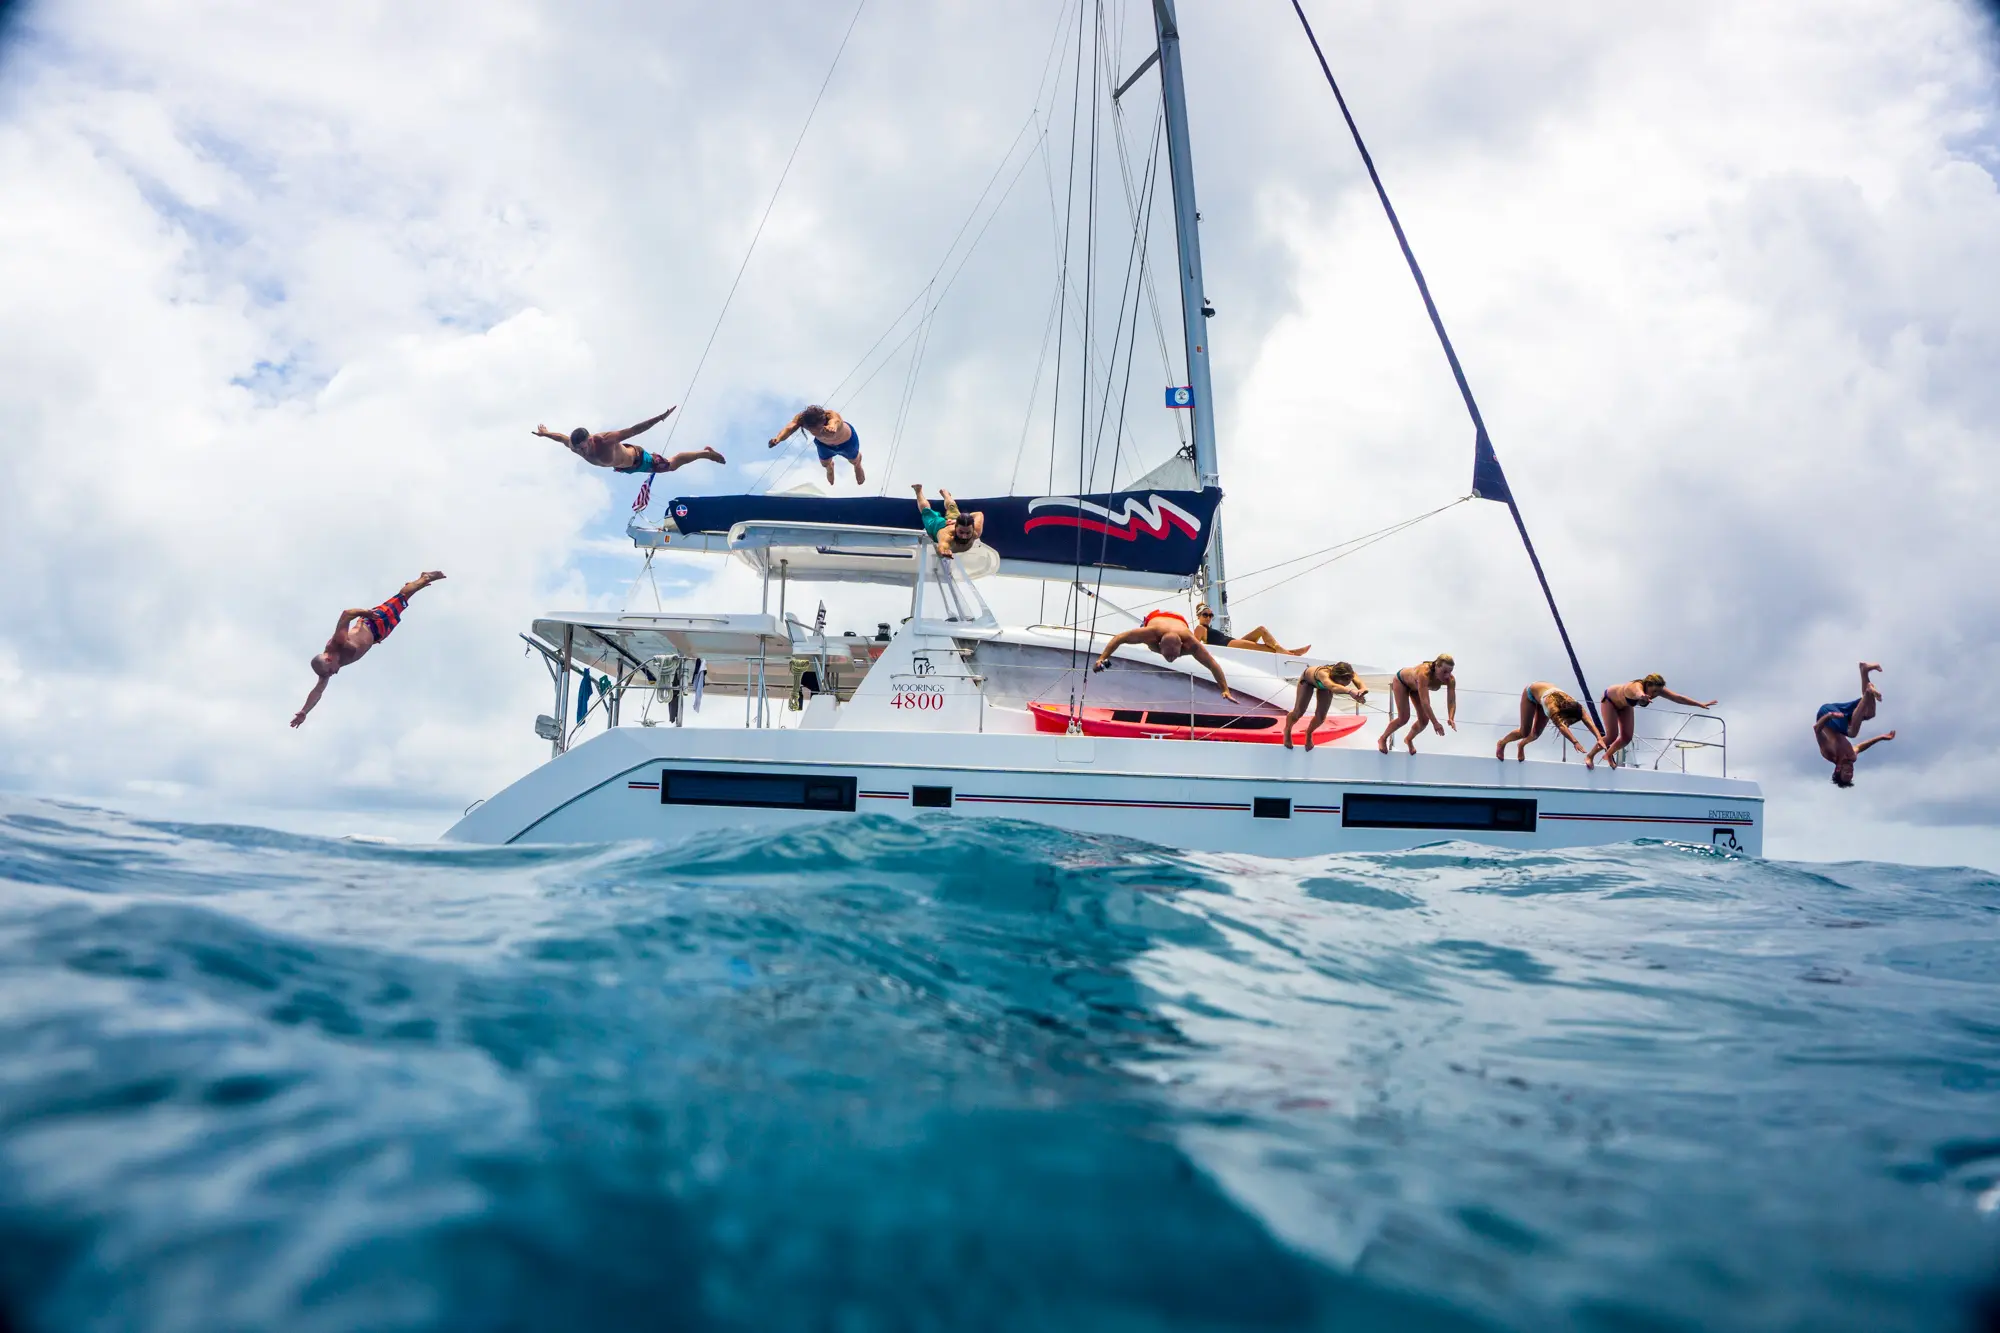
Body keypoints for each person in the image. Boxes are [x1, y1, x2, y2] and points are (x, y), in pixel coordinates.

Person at [292, 572, 446, 728]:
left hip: (373, 622)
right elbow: (318, 691)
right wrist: (304, 711)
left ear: (328, 659)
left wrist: (366, 613)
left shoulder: (337, 643)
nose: (334, 673)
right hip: (378, 635)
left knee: (402, 598)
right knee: (402, 604)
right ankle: (414, 586)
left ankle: (424, 578)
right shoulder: (327, 669)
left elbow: (346, 614)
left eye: (331, 671)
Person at [1091, 609, 1235, 701]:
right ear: (1160, 645)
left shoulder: (1191, 643)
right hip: (1156, 617)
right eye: (1167, 656)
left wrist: (1225, 689)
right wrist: (1102, 657)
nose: (1171, 659)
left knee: (1198, 655)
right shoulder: (1150, 634)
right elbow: (1120, 638)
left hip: (1180, 620)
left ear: (1182, 646)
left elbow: (1212, 664)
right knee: (1149, 644)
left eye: (1174, 656)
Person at [1584, 673, 1717, 769]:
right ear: (1647, 684)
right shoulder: (1635, 686)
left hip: (1625, 706)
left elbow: (1678, 698)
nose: (1655, 695)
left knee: (1626, 737)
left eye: (1658, 692)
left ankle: (1608, 755)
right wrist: (1642, 696)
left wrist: (1699, 704)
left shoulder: (1655, 690)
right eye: (1653, 691)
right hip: (1609, 701)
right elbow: (1637, 693)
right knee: (1612, 735)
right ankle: (1590, 756)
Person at [532, 409, 724, 474]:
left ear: (590, 439)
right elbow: (561, 438)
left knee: (671, 465)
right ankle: (704, 453)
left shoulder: (605, 440)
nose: (583, 452)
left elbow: (634, 430)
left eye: (584, 447)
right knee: (669, 467)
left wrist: (659, 418)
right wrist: (546, 433)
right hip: (625, 468)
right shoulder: (575, 447)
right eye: (579, 449)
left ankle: (705, 453)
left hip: (639, 459)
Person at [1815, 662, 1894, 788]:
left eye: (1847, 772)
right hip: (1841, 718)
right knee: (1869, 712)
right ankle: (1864, 671)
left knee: (1852, 732)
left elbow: (1817, 729)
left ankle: (1869, 691)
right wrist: (1882, 737)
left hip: (1826, 714)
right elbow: (1860, 747)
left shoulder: (1829, 753)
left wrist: (1829, 716)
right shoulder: (1851, 756)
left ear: (1838, 769)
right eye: (1851, 773)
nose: (1851, 770)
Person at [1496, 681, 1607, 766]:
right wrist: (1575, 742)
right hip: (1531, 693)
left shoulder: (1576, 706)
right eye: (1569, 721)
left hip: (1545, 695)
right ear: (1563, 713)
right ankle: (1502, 743)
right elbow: (1561, 726)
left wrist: (1599, 738)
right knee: (1524, 732)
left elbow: (1589, 722)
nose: (1568, 723)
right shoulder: (1551, 708)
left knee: (1536, 734)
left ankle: (1521, 745)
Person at [1377, 654, 1457, 754]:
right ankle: (1382, 738)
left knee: (1424, 721)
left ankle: (1408, 739)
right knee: (1404, 718)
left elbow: (1452, 700)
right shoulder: (1424, 674)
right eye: (1444, 672)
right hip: (1402, 682)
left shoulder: (1450, 679)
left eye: (1450, 672)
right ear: (1436, 666)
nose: (1447, 676)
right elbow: (1425, 702)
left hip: (1416, 688)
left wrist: (1451, 717)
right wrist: (1435, 723)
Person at [1282, 661, 1366, 751]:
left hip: (1324, 687)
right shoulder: (1323, 674)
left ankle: (1309, 733)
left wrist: (1362, 691)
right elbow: (1333, 687)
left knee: (1321, 717)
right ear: (1334, 678)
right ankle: (1287, 730)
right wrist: (1349, 691)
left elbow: (1361, 685)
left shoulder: (1349, 673)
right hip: (1308, 681)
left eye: (1347, 684)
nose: (1344, 686)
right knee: (1298, 712)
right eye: (1342, 684)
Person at [771, 405, 863, 486]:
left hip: (847, 443)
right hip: (824, 445)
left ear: (823, 422)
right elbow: (789, 428)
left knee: (854, 461)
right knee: (825, 464)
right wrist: (778, 439)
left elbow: (835, 421)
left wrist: (831, 427)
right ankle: (830, 467)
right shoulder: (802, 420)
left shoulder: (831, 415)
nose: (817, 432)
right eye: (812, 430)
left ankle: (857, 466)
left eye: (819, 428)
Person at [1194, 604, 1309, 655]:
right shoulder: (1200, 628)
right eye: (1205, 615)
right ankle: (1287, 652)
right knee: (1263, 639)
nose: (1208, 618)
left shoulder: (1207, 629)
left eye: (1211, 615)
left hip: (1232, 642)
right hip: (1229, 645)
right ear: (1198, 616)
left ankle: (1285, 651)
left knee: (1260, 631)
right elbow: (1194, 644)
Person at [911, 484, 984, 558]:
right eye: (961, 532)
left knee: (952, 507)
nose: (964, 536)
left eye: (968, 533)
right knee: (926, 511)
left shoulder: (976, 531)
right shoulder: (947, 536)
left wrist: (960, 519)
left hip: (954, 520)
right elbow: (942, 547)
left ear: (973, 529)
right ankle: (918, 491)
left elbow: (979, 514)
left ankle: (945, 494)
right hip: (938, 526)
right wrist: (943, 552)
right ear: (956, 528)